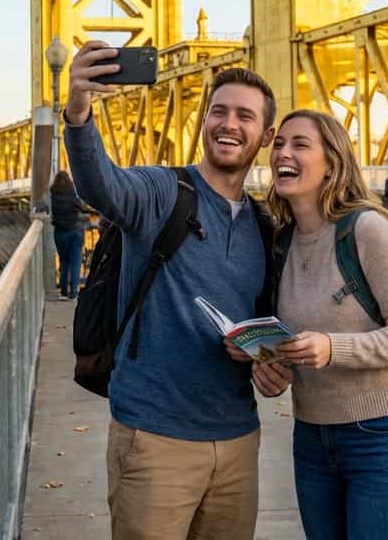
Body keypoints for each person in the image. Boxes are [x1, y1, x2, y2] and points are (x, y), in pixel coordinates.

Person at [64, 41, 279, 540]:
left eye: (245, 117)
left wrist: (272, 364)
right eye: (218, 112)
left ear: (266, 136)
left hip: (238, 441)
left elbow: (264, 325)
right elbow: (100, 186)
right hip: (154, 440)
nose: (229, 124)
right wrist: (78, 110)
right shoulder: (162, 193)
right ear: (203, 122)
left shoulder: (265, 227)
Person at [244, 108, 388, 540]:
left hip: (383, 438)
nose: (282, 154)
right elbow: (294, 337)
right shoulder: (282, 242)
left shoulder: (368, 230)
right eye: (279, 145)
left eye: (300, 145)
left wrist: (332, 349)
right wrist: (271, 369)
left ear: (332, 164)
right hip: (311, 438)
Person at [49, 170, 88, 300]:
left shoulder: (52, 195)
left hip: (60, 233)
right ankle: (74, 293)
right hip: (76, 232)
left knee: (64, 262)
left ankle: (64, 292)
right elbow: (83, 207)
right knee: (76, 263)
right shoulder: (73, 194)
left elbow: (44, 206)